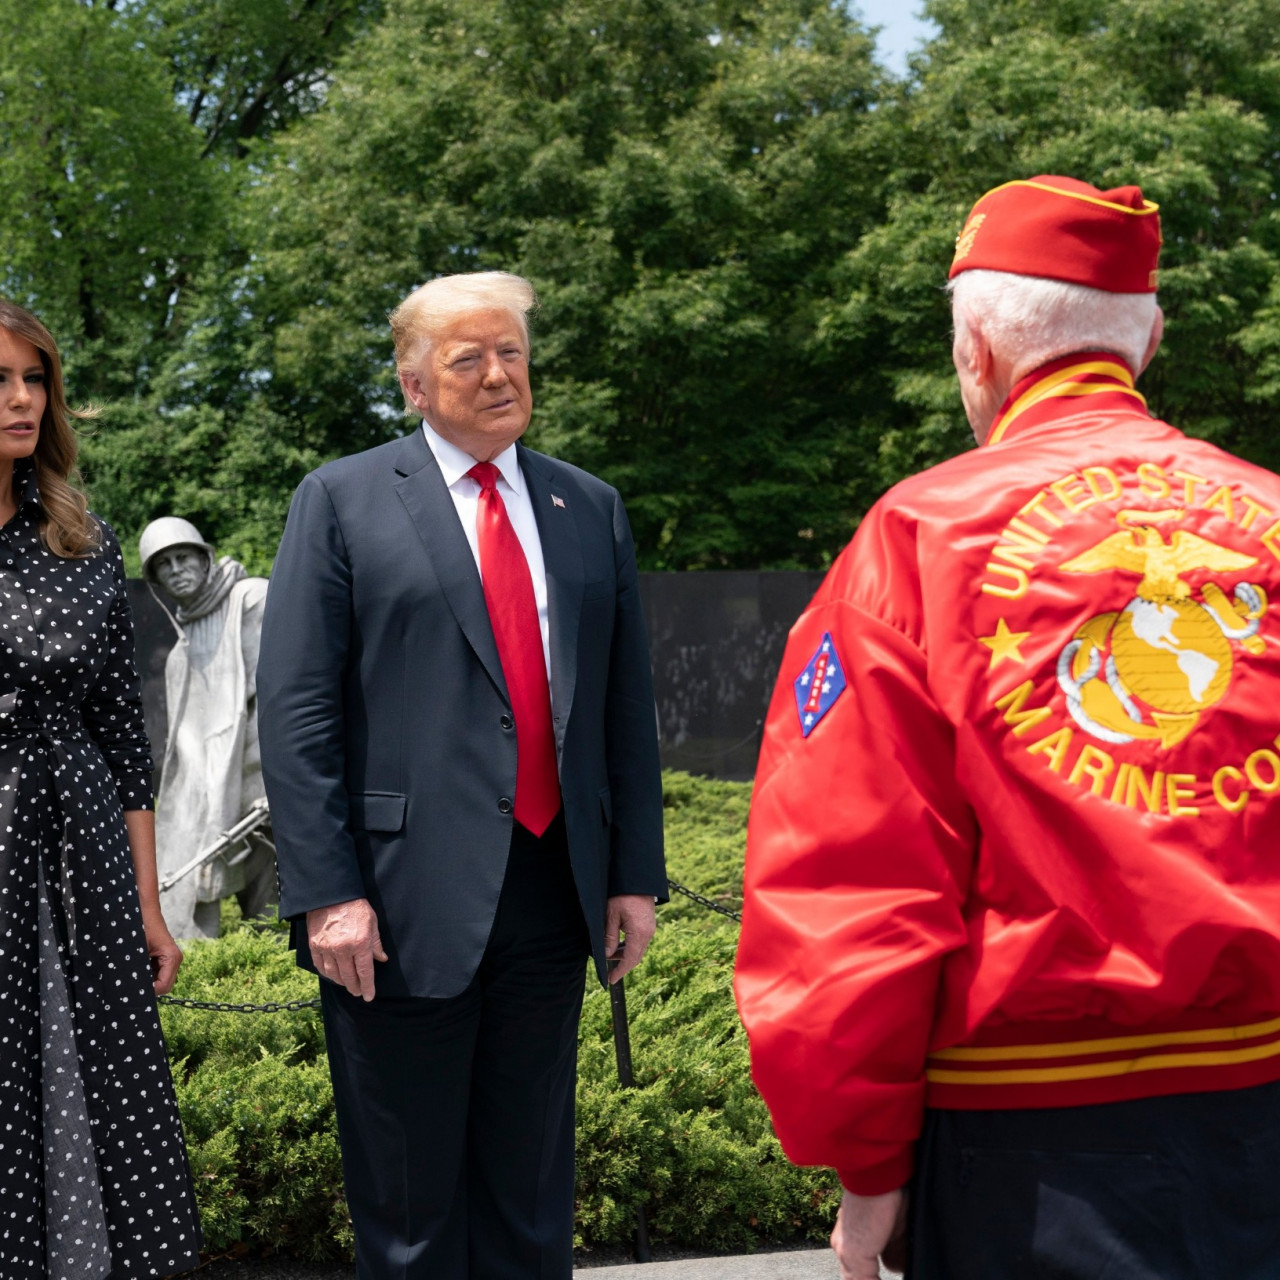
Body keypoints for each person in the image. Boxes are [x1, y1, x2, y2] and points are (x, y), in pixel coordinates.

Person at [735, 176, 1280, 1280]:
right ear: (1149, 340)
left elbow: (848, 881)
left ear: (973, 349)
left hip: (1034, 1148)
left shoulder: (915, 537)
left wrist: (865, 1161)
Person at [257, 270, 666, 1279]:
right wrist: (329, 892)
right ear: (412, 383)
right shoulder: (340, 500)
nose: (498, 375)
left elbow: (623, 708)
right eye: (468, 358)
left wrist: (633, 876)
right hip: (393, 907)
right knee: (410, 1209)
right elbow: (296, 712)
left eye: (512, 352)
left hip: (551, 889)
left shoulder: (588, 505)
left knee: (531, 1195)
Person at [0, 300, 201, 1277]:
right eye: (0, 379)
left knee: (98, 1083)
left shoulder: (82, 538)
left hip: (83, 851)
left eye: (34, 379)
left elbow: (124, 736)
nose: (22, 399)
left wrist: (149, 904)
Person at [139, 516, 274, 938]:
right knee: (186, 890)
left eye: (184, 557)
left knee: (274, 915)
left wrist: (282, 779)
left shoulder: (253, 600)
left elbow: (289, 695)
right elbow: (187, 750)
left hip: (266, 791)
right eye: (164, 565)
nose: (176, 569)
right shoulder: (179, 655)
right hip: (214, 798)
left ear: (204, 558)